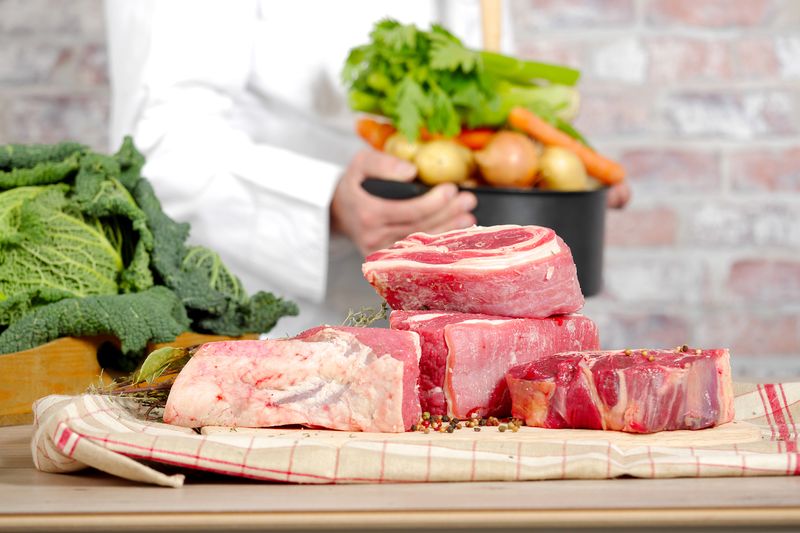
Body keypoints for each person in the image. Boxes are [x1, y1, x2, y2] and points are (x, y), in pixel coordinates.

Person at [104, 0, 628, 334]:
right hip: (256, 322)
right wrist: (329, 202)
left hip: (427, 329)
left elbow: (484, 112)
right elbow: (159, 148)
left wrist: (558, 173)